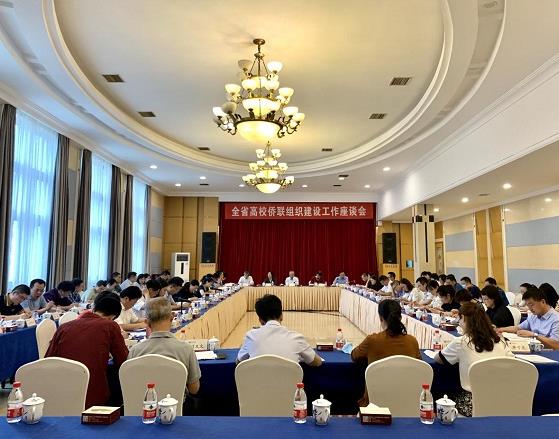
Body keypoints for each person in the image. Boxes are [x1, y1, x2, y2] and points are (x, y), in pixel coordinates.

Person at [45, 292, 128, 408]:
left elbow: (48, 358)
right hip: (92, 389)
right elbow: (123, 359)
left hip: (61, 386)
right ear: (112, 317)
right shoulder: (110, 325)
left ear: (94, 309)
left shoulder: (64, 327)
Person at [435, 302, 513, 416]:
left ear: (463, 318)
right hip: (503, 401)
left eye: (459, 319)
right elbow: (513, 362)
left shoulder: (461, 342)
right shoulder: (500, 341)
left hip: (472, 403)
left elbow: (438, 359)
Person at [351, 299, 421, 406]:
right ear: (400, 318)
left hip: (374, 407)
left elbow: (354, 356)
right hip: (407, 404)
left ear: (380, 318)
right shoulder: (412, 341)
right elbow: (419, 365)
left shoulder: (372, 340)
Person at [128, 297, 201, 397]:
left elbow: (131, 385)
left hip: (143, 404)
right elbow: (194, 389)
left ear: (146, 322)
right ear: (172, 318)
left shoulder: (134, 351)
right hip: (178, 404)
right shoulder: (186, 349)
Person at [237, 294, 322, 366]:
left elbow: (239, 362)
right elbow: (317, 362)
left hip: (256, 381)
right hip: (289, 381)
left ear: (260, 320)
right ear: (281, 316)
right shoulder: (296, 338)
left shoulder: (251, 336)